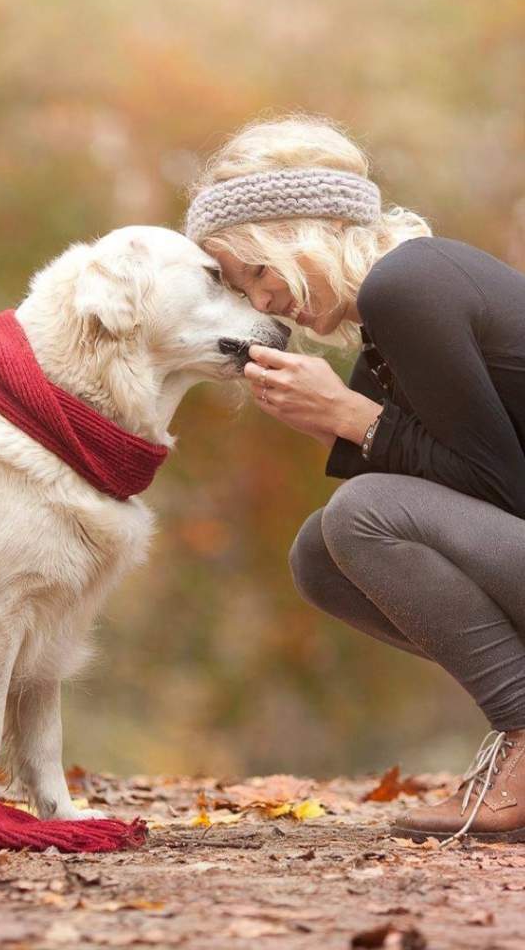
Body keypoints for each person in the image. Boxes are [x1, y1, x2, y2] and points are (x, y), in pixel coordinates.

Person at [184, 113, 525, 845]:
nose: (261, 303)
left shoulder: (408, 285)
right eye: (244, 289)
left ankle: (524, 728)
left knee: (360, 515)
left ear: (304, 232)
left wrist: (351, 415)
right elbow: (455, 487)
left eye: (258, 271)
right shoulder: (392, 309)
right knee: (321, 555)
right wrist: (331, 421)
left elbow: (503, 489)